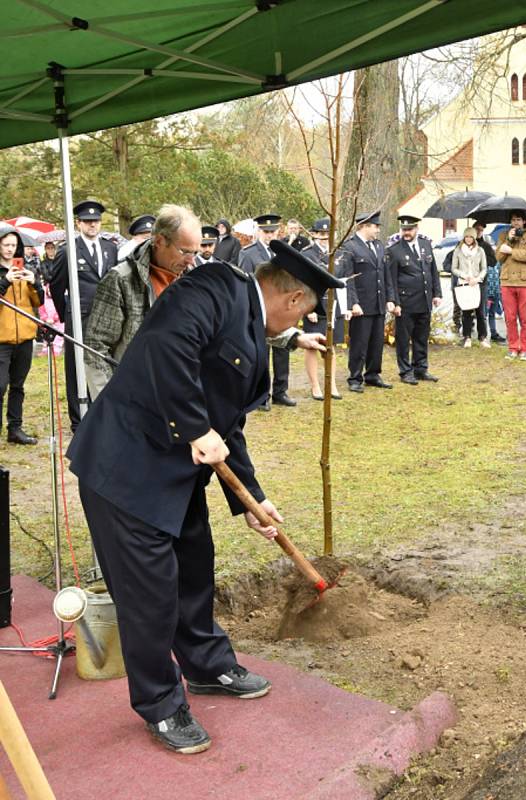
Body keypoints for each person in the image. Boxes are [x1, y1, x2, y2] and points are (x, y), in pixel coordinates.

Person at [67, 240, 342, 754]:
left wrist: (253, 502)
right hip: (125, 468)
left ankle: (208, 666)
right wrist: (194, 428)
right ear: (292, 298)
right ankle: (161, 705)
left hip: (176, 472)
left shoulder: (253, 330)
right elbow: (165, 348)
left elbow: (228, 427)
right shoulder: (217, 287)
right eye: (302, 313)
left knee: (195, 568)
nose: (294, 327)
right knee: (148, 594)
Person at [84, 205, 203, 400]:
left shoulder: (196, 282)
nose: (191, 261)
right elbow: (96, 349)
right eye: (184, 251)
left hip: (180, 398)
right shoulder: (121, 280)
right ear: (159, 241)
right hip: (133, 398)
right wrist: (109, 404)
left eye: (195, 253)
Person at [49, 199, 118, 431]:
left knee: (103, 365)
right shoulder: (67, 250)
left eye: (96, 221)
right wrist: (66, 314)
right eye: (88, 222)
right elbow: (57, 286)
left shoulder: (110, 248)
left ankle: (103, 415)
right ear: (78, 223)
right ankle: (79, 422)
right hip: (80, 317)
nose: (92, 225)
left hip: (107, 318)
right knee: (76, 368)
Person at [239, 214, 295, 408]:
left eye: (273, 232)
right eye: (266, 232)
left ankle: (281, 391)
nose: (270, 235)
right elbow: (244, 283)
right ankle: (262, 395)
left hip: (281, 310)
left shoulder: (284, 254)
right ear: (258, 231)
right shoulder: (248, 254)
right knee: (262, 353)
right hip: (259, 310)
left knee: (282, 351)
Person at [338, 211, 394, 392]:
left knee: (377, 342)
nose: (378, 230)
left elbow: (385, 275)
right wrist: (353, 302)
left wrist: (390, 298)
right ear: (364, 226)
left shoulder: (378, 246)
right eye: (375, 226)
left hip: (378, 302)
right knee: (359, 343)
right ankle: (355, 377)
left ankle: (372, 374)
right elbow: (348, 278)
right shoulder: (350, 247)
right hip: (361, 304)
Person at [385, 215, 442, 383]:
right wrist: (394, 302)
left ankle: (421, 368)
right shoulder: (394, 250)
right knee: (403, 339)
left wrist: (437, 293)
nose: (406, 233)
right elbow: (391, 279)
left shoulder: (425, 245)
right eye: (404, 230)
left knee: (421, 337)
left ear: (416, 229)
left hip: (424, 300)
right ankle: (405, 371)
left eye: (409, 229)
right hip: (406, 303)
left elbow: (433, 271)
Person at [0, 225, 43, 445]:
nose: (9, 249)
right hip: (1, 339)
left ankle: (14, 429)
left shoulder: (26, 269)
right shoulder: (3, 274)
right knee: (0, 385)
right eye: (5, 244)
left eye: (13, 245)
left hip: (25, 336)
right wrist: (5, 280)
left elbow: (39, 302)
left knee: (18, 384)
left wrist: (34, 282)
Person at [301, 218, 343, 400]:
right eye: (320, 234)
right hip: (314, 307)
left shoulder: (339, 253)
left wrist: (347, 306)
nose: (324, 237)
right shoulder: (307, 254)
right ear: (314, 234)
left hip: (333, 305)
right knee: (312, 347)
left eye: (327, 234)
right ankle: (315, 386)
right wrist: (307, 309)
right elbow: (301, 283)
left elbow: (345, 280)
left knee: (330, 347)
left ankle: (331, 384)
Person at [496, 211, 526, 360]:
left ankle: (525, 349)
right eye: (513, 220)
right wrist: (508, 240)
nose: (515, 223)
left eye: (518, 220)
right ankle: (513, 348)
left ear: (523, 221)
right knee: (510, 317)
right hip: (507, 281)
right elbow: (499, 257)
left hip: (525, 281)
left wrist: (512, 251)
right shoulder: (503, 235)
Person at [451, 228, 488, 349]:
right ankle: (467, 337)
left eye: (471, 237)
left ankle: (482, 337)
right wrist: (464, 275)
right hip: (464, 283)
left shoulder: (480, 250)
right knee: (466, 311)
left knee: (480, 311)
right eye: (466, 236)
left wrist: (478, 278)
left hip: (477, 283)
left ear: (474, 238)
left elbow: (484, 268)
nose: (468, 239)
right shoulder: (458, 250)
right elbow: (454, 268)